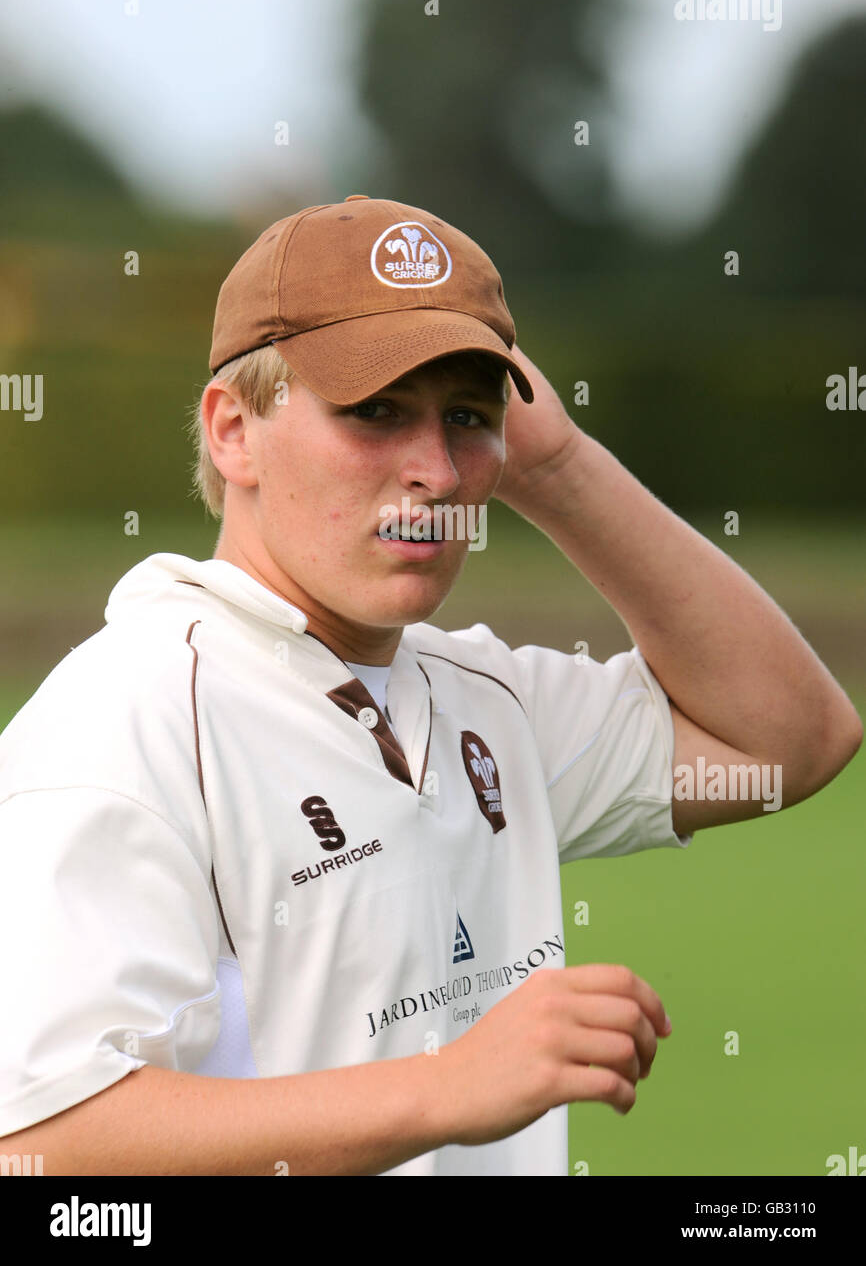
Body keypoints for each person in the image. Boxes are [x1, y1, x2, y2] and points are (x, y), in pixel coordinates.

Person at [0, 196, 860, 1177]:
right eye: (373, 412)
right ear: (233, 430)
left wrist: (561, 468)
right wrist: (446, 1085)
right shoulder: (123, 720)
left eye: (467, 418)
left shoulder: (481, 697)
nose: (434, 470)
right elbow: (37, 1142)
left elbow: (787, 742)